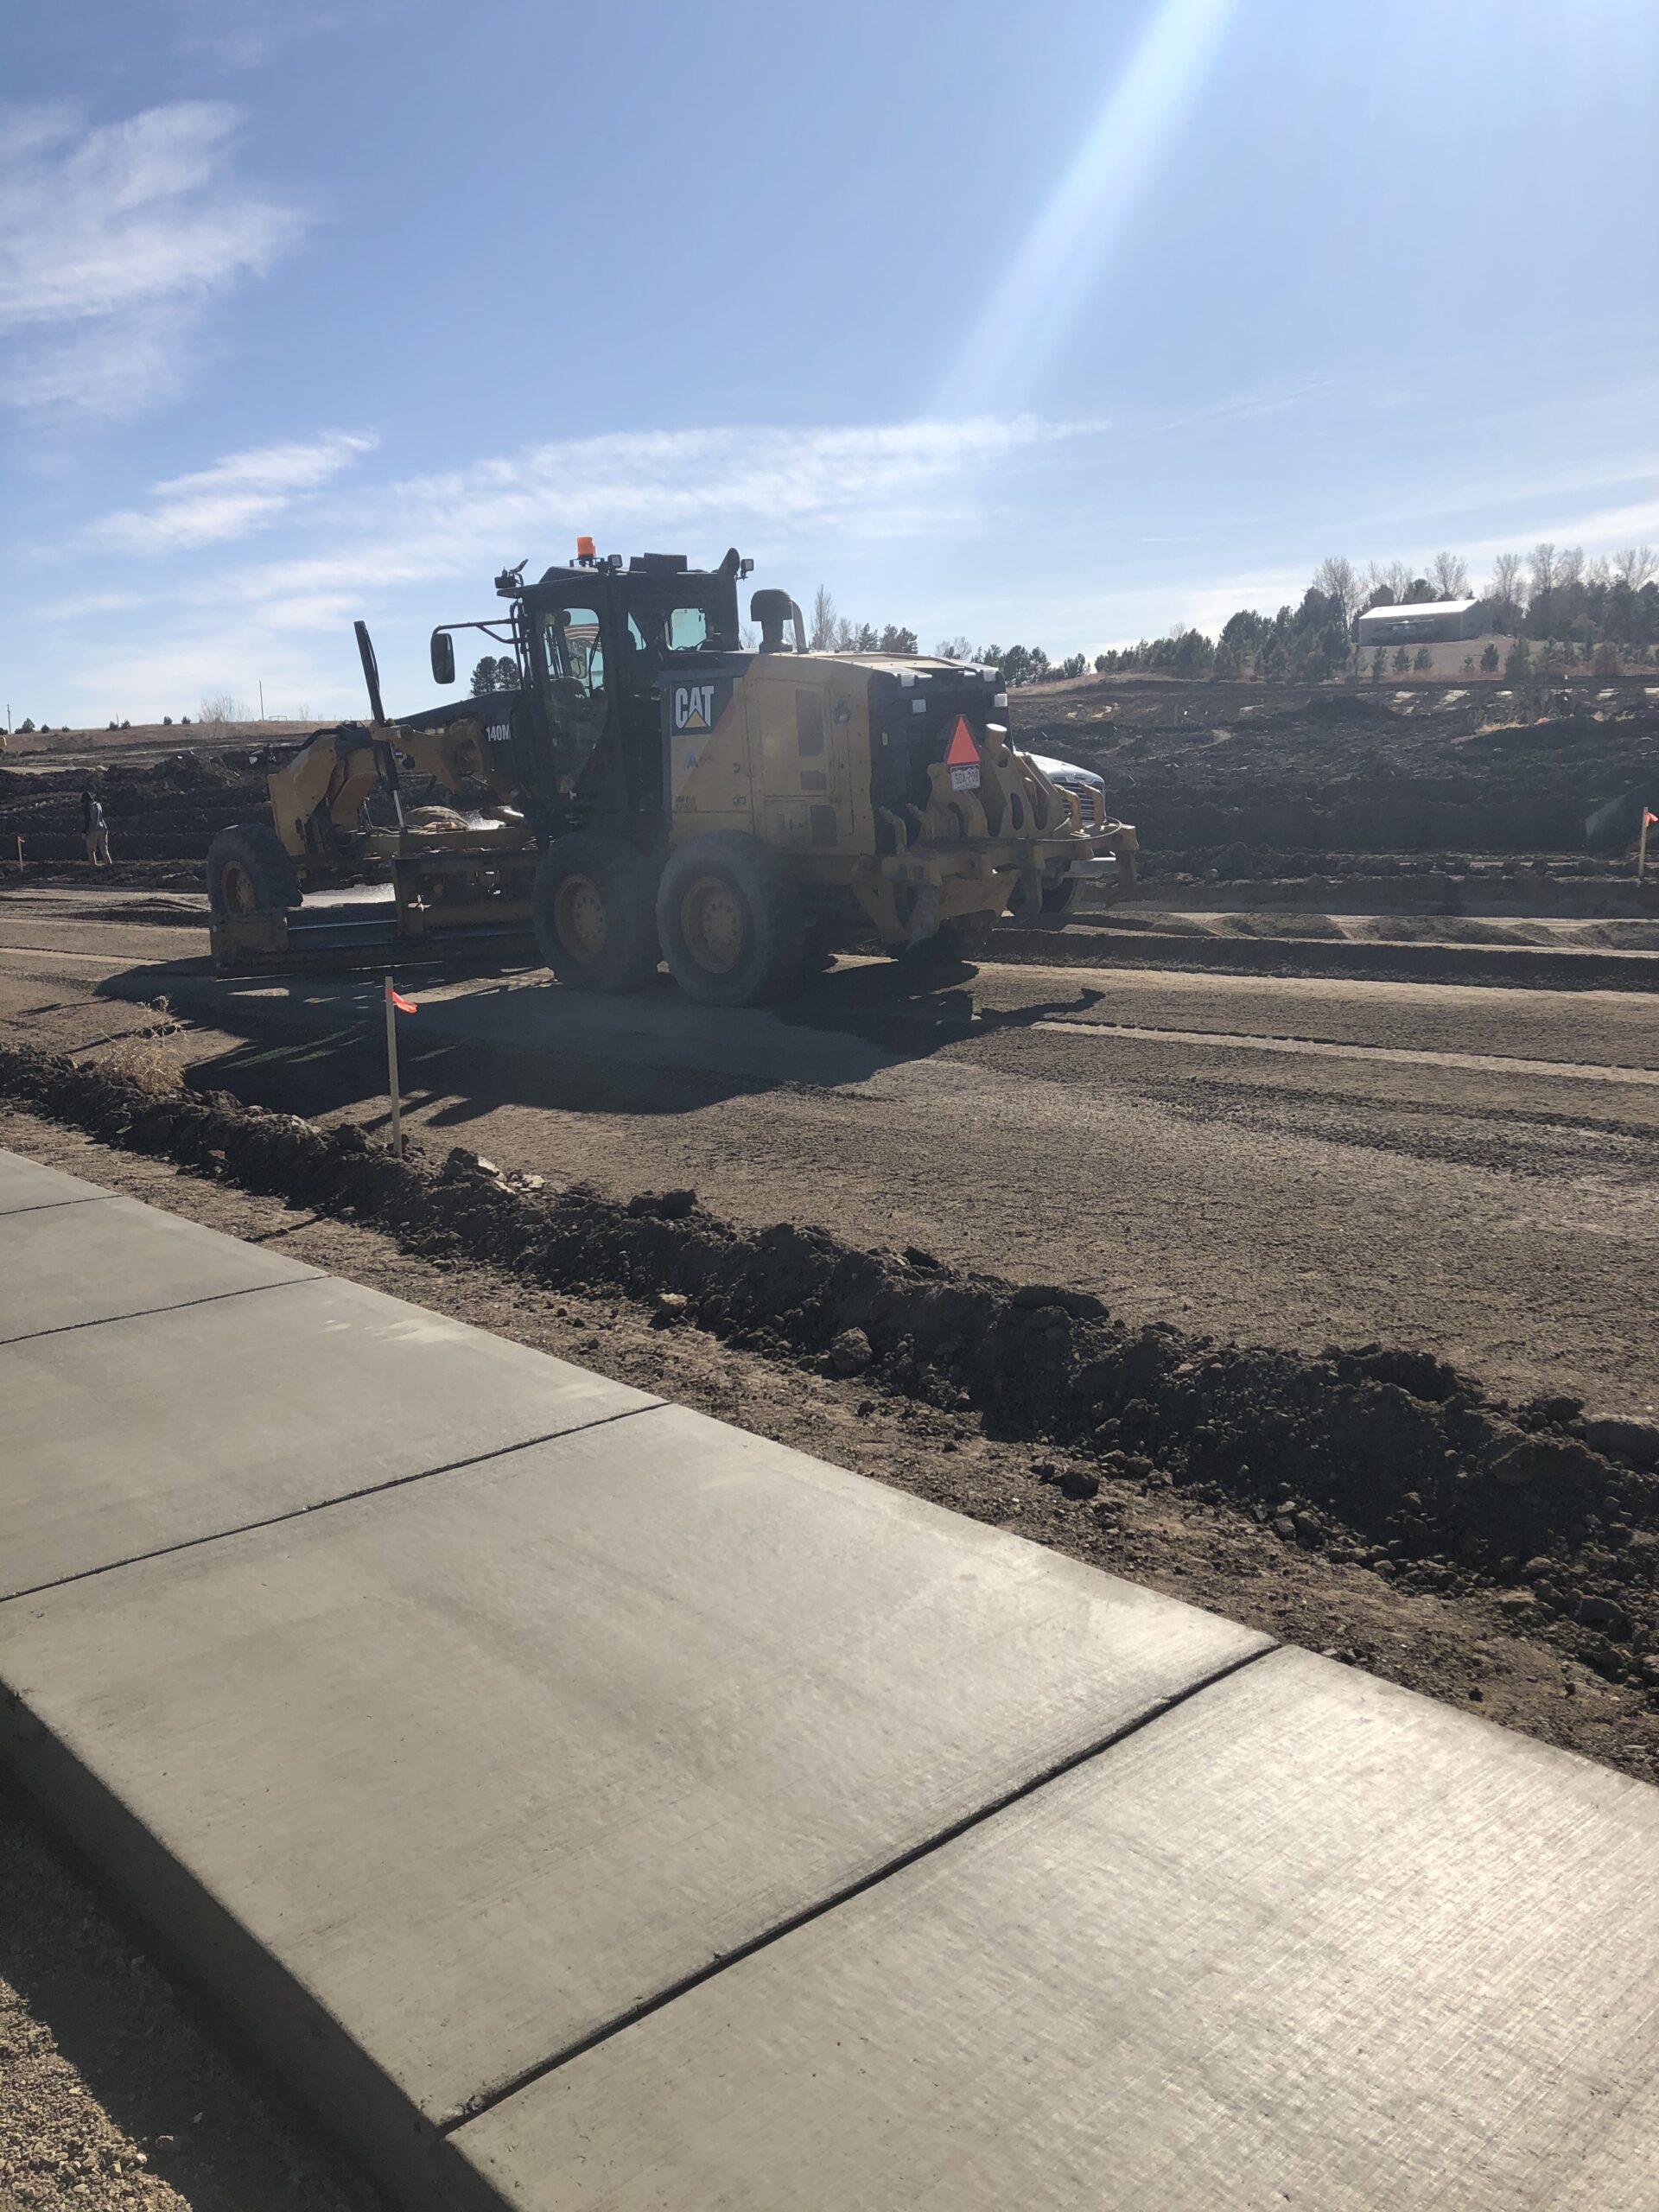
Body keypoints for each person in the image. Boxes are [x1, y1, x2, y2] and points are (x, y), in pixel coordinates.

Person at [81, 787, 111, 868]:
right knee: (104, 850)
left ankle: (93, 866)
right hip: (103, 828)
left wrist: (84, 832)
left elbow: (88, 820)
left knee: (91, 851)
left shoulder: (88, 807)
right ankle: (109, 865)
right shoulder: (98, 805)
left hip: (92, 830)